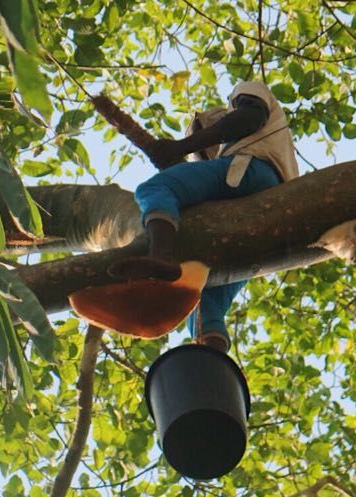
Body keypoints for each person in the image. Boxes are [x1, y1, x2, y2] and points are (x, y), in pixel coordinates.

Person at [108, 81, 298, 353]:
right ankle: (212, 354)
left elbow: (246, 119)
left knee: (155, 188)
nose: (204, 154)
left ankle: (160, 255)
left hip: (250, 170)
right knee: (200, 296)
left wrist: (182, 146)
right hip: (271, 226)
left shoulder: (248, 95)